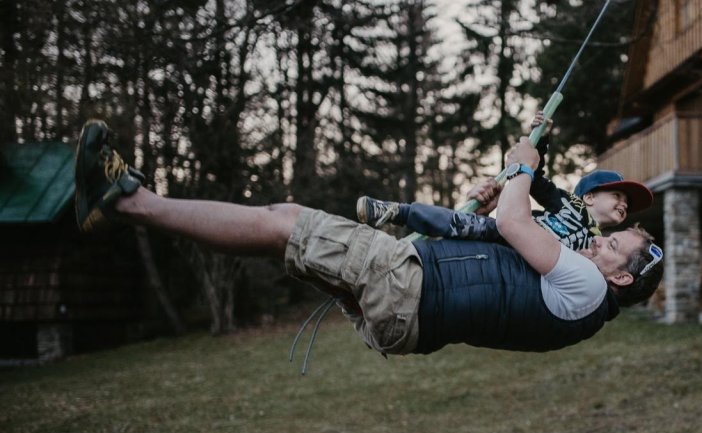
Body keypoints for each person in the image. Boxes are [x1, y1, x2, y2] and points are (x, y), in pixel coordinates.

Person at [74, 119, 664, 358]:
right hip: (407, 305)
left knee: (283, 222)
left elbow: (516, 224)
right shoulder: (582, 293)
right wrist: (488, 206)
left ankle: (127, 201)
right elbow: (506, 244)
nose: (600, 243)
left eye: (613, 247)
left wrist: (521, 166)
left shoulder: (587, 287)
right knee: (282, 230)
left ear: (620, 277)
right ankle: (128, 208)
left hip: (407, 286)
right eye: (609, 235)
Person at [356, 113, 653, 251]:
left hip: (526, 260)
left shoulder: (600, 245)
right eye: (618, 196)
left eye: (626, 204)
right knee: (462, 223)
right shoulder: (568, 203)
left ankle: (401, 254)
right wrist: (541, 139)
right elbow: (535, 179)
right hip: (509, 234)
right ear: (589, 197)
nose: (623, 204)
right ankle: (396, 212)